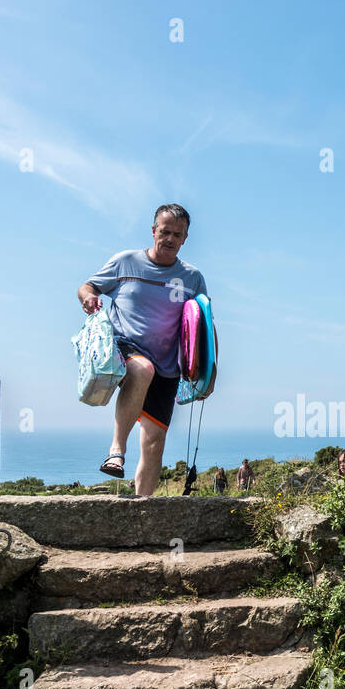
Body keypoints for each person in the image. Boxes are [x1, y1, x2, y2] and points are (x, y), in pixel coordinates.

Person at [77, 204, 208, 497]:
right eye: (165, 232)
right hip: (127, 347)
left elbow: (202, 325)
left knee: (154, 443)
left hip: (168, 365)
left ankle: (142, 508)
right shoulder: (126, 262)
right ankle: (116, 451)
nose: (170, 239)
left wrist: (206, 372)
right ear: (153, 231)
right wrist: (88, 299)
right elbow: (88, 287)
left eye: (177, 234)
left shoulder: (192, 277)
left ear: (185, 238)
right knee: (141, 368)